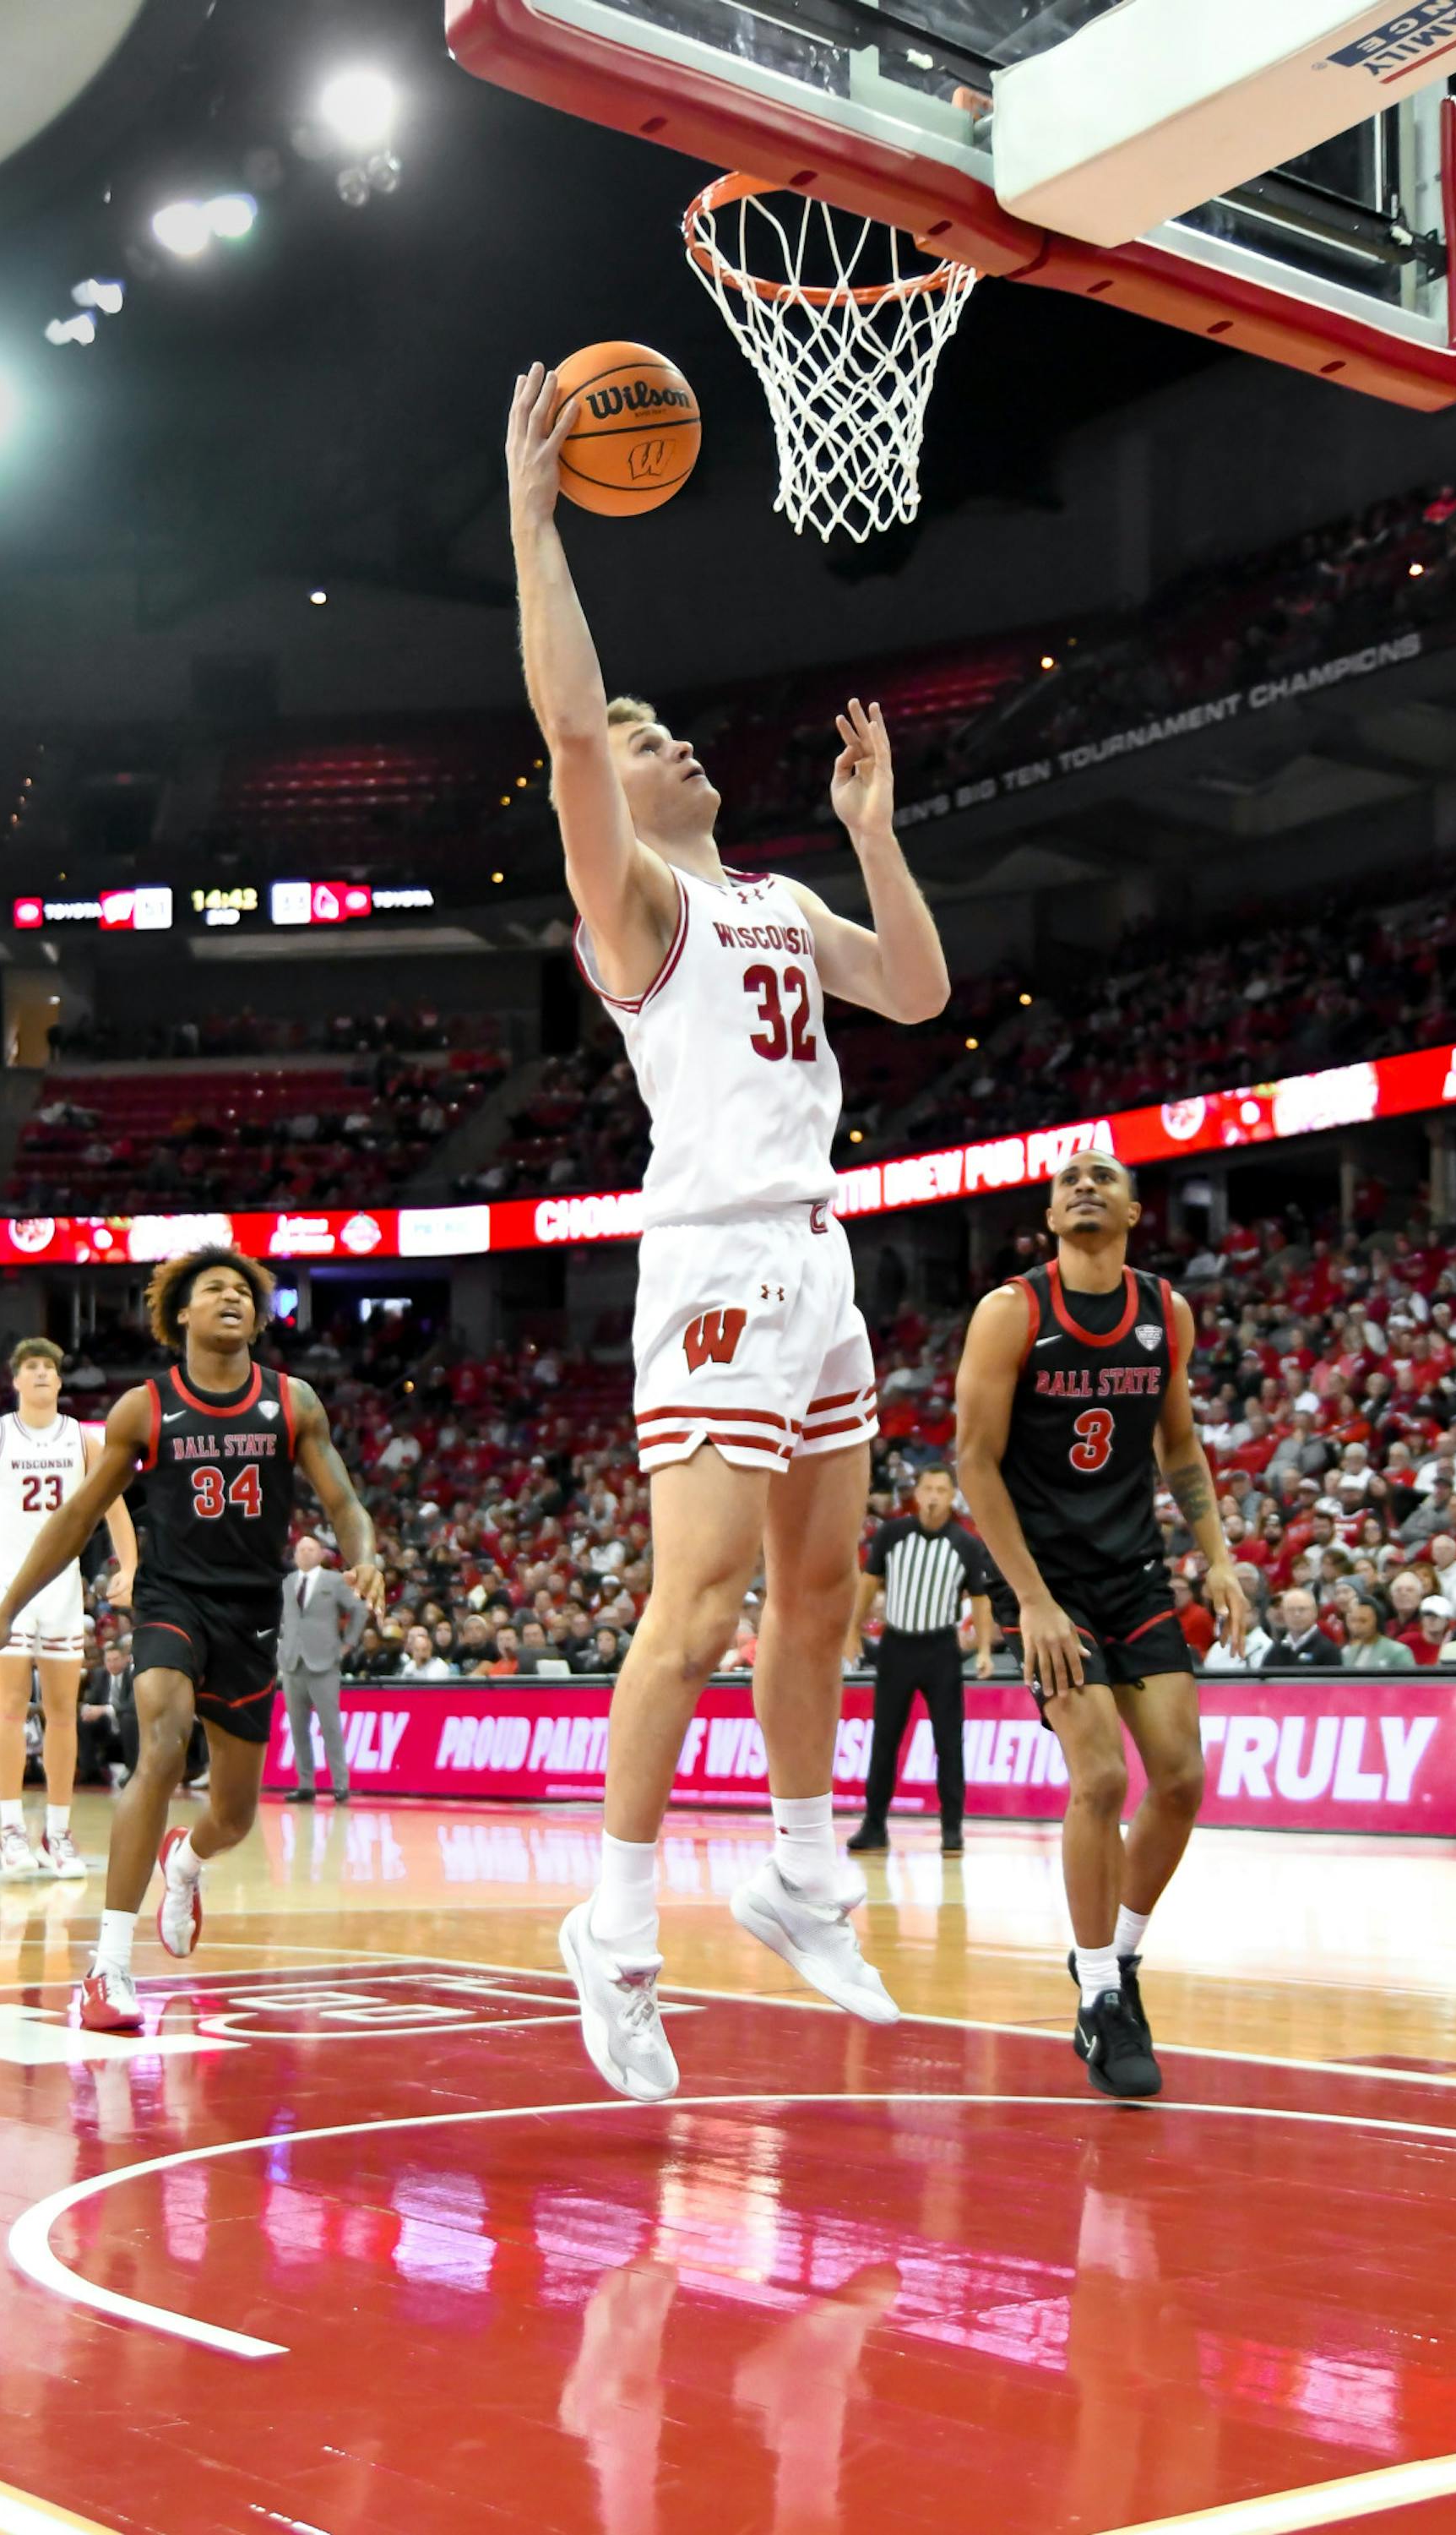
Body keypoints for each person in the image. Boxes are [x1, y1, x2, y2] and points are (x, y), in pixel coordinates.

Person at [508, 363, 948, 2103]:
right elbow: (562, 734)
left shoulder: (772, 896)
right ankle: (612, 1930)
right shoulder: (636, 907)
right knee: (691, 1607)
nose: (659, 734)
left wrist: (876, 836)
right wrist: (538, 528)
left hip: (815, 1259)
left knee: (819, 1595)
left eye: (662, 728)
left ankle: (796, 1875)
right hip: (707, 1260)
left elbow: (913, 985)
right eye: (638, 734)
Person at [0, 1247, 383, 2034]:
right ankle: (107, 1967)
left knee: (233, 1816)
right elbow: (76, 1519)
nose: (230, 1298)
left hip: (252, 1613)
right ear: (180, 1315)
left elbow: (345, 1501)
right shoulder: (142, 1408)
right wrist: (5, 1610)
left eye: (242, 1292)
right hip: (170, 1599)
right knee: (159, 1740)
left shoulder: (292, 1402)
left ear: (258, 1318)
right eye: (213, 1289)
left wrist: (363, 1557)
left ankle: (184, 1861)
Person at [956, 1151, 1248, 2102]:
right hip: (1047, 1582)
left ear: (1131, 1207)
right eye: (1068, 1177)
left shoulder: (1166, 1312)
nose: (1085, 1184)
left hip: (1131, 1574)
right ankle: (1094, 1994)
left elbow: (1177, 1442)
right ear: (1048, 1210)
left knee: (1178, 1778)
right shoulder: (1011, 1313)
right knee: (1099, 1773)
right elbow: (973, 1461)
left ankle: (1118, 1961)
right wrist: (1030, 1600)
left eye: (1103, 1176)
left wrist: (1219, 1553)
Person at [0, 1336, 138, 1874]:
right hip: (5, 1584)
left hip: (61, 1584)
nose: (40, 1376)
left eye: (48, 1369)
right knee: (10, 1704)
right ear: (15, 1380)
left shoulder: (85, 1441)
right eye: (30, 1368)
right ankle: (10, 1831)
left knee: (62, 1713)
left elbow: (114, 1507)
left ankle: (57, 1834)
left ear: (58, 1381)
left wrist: (130, 1565)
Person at [844, 1464, 996, 1856]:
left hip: (941, 1650)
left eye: (941, 1490)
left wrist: (981, 1650)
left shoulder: (966, 1544)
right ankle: (874, 1826)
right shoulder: (892, 1535)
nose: (932, 1496)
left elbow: (980, 1598)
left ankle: (952, 1830)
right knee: (885, 1741)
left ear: (952, 1496)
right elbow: (869, 1582)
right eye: (927, 1488)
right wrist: (851, 1633)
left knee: (949, 1742)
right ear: (917, 1493)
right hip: (896, 1647)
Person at [278, 1533, 367, 1803]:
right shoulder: (287, 1583)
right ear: (294, 1555)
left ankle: (341, 1784)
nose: (305, 1554)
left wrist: (348, 1644)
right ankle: (305, 1784)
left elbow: (359, 1610)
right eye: (301, 1550)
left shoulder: (334, 1581)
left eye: (310, 1549)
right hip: (293, 1663)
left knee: (330, 1726)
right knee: (297, 1727)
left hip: (324, 1662)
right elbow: (281, 1618)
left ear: (320, 1554)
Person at [78, 1639, 136, 1785]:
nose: (112, 1664)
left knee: (128, 1718)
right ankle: (90, 1772)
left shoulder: (133, 1675)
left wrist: (104, 1710)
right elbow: (90, 1700)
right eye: (108, 1660)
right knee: (83, 1721)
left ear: (126, 1659)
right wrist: (87, 1710)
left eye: (116, 1659)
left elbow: (132, 1705)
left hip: (129, 1726)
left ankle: (132, 1770)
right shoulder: (100, 1675)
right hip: (106, 1726)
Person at [1258, 1587, 1336, 1669]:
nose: (1296, 1614)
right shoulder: (1276, 1650)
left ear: (1315, 1612)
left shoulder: (1328, 1650)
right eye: (1290, 1610)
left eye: (1302, 1609)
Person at [1339, 1592, 1415, 1670]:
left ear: (1377, 1621)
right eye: (1353, 1620)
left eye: (1363, 1621)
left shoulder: (1398, 1652)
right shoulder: (1348, 1652)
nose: (1356, 1626)